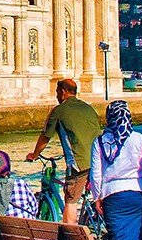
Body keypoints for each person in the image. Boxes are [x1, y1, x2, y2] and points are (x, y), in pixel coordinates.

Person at [88, 100, 142, 240]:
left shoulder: (99, 142)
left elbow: (96, 175)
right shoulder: (139, 138)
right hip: (137, 193)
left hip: (112, 196)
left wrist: (97, 197)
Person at [26, 79, 102, 224]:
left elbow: (45, 137)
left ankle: (70, 235)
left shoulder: (59, 111)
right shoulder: (88, 108)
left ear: (63, 92)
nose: (56, 96)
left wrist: (34, 155)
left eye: (57, 92)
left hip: (79, 163)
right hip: (98, 159)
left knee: (70, 200)